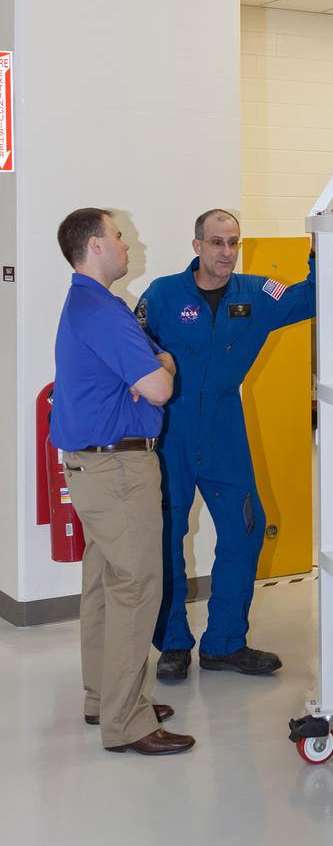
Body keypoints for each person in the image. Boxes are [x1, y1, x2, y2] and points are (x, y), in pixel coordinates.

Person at [137, 208, 315, 681]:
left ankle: (225, 643)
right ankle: (173, 643)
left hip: (224, 430)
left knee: (244, 530)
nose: (226, 252)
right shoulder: (162, 294)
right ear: (197, 246)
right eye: (216, 242)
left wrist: (322, 247)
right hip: (171, 429)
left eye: (233, 242)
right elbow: (133, 349)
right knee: (166, 537)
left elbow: (311, 295)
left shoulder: (258, 293)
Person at [51, 208, 194, 756]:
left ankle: (105, 698)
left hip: (95, 466)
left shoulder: (88, 305)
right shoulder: (105, 313)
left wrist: (148, 372)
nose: (127, 243)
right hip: (117, 471)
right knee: (135, 588)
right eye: (117, 236)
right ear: (94, 246)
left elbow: (139, 382)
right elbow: (158, 387)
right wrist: (165, 363)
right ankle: (126, 721)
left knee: (106, 587)